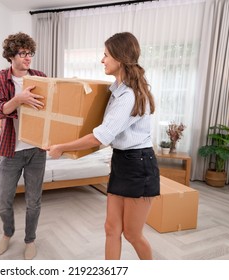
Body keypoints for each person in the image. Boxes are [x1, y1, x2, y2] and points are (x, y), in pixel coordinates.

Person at [47, 32, 160, 260]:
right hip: (122, 161)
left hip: (139, 165)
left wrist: (61, 147)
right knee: (111, 228)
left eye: (106, 55)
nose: (102, 60)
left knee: (132, 234)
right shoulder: (116, 91)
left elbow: (101, 136)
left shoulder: (129, 96)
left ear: (119, 58)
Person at [0, 32, 47, 260]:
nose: (28, 58)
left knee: (34, 201)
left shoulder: (41, 77)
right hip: (11, 150)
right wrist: (18, 99)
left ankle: (30, 239)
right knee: (3, 201)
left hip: (36, 149)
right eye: (23, 53)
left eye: (30, 53)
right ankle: (7, 233)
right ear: (11, 56)